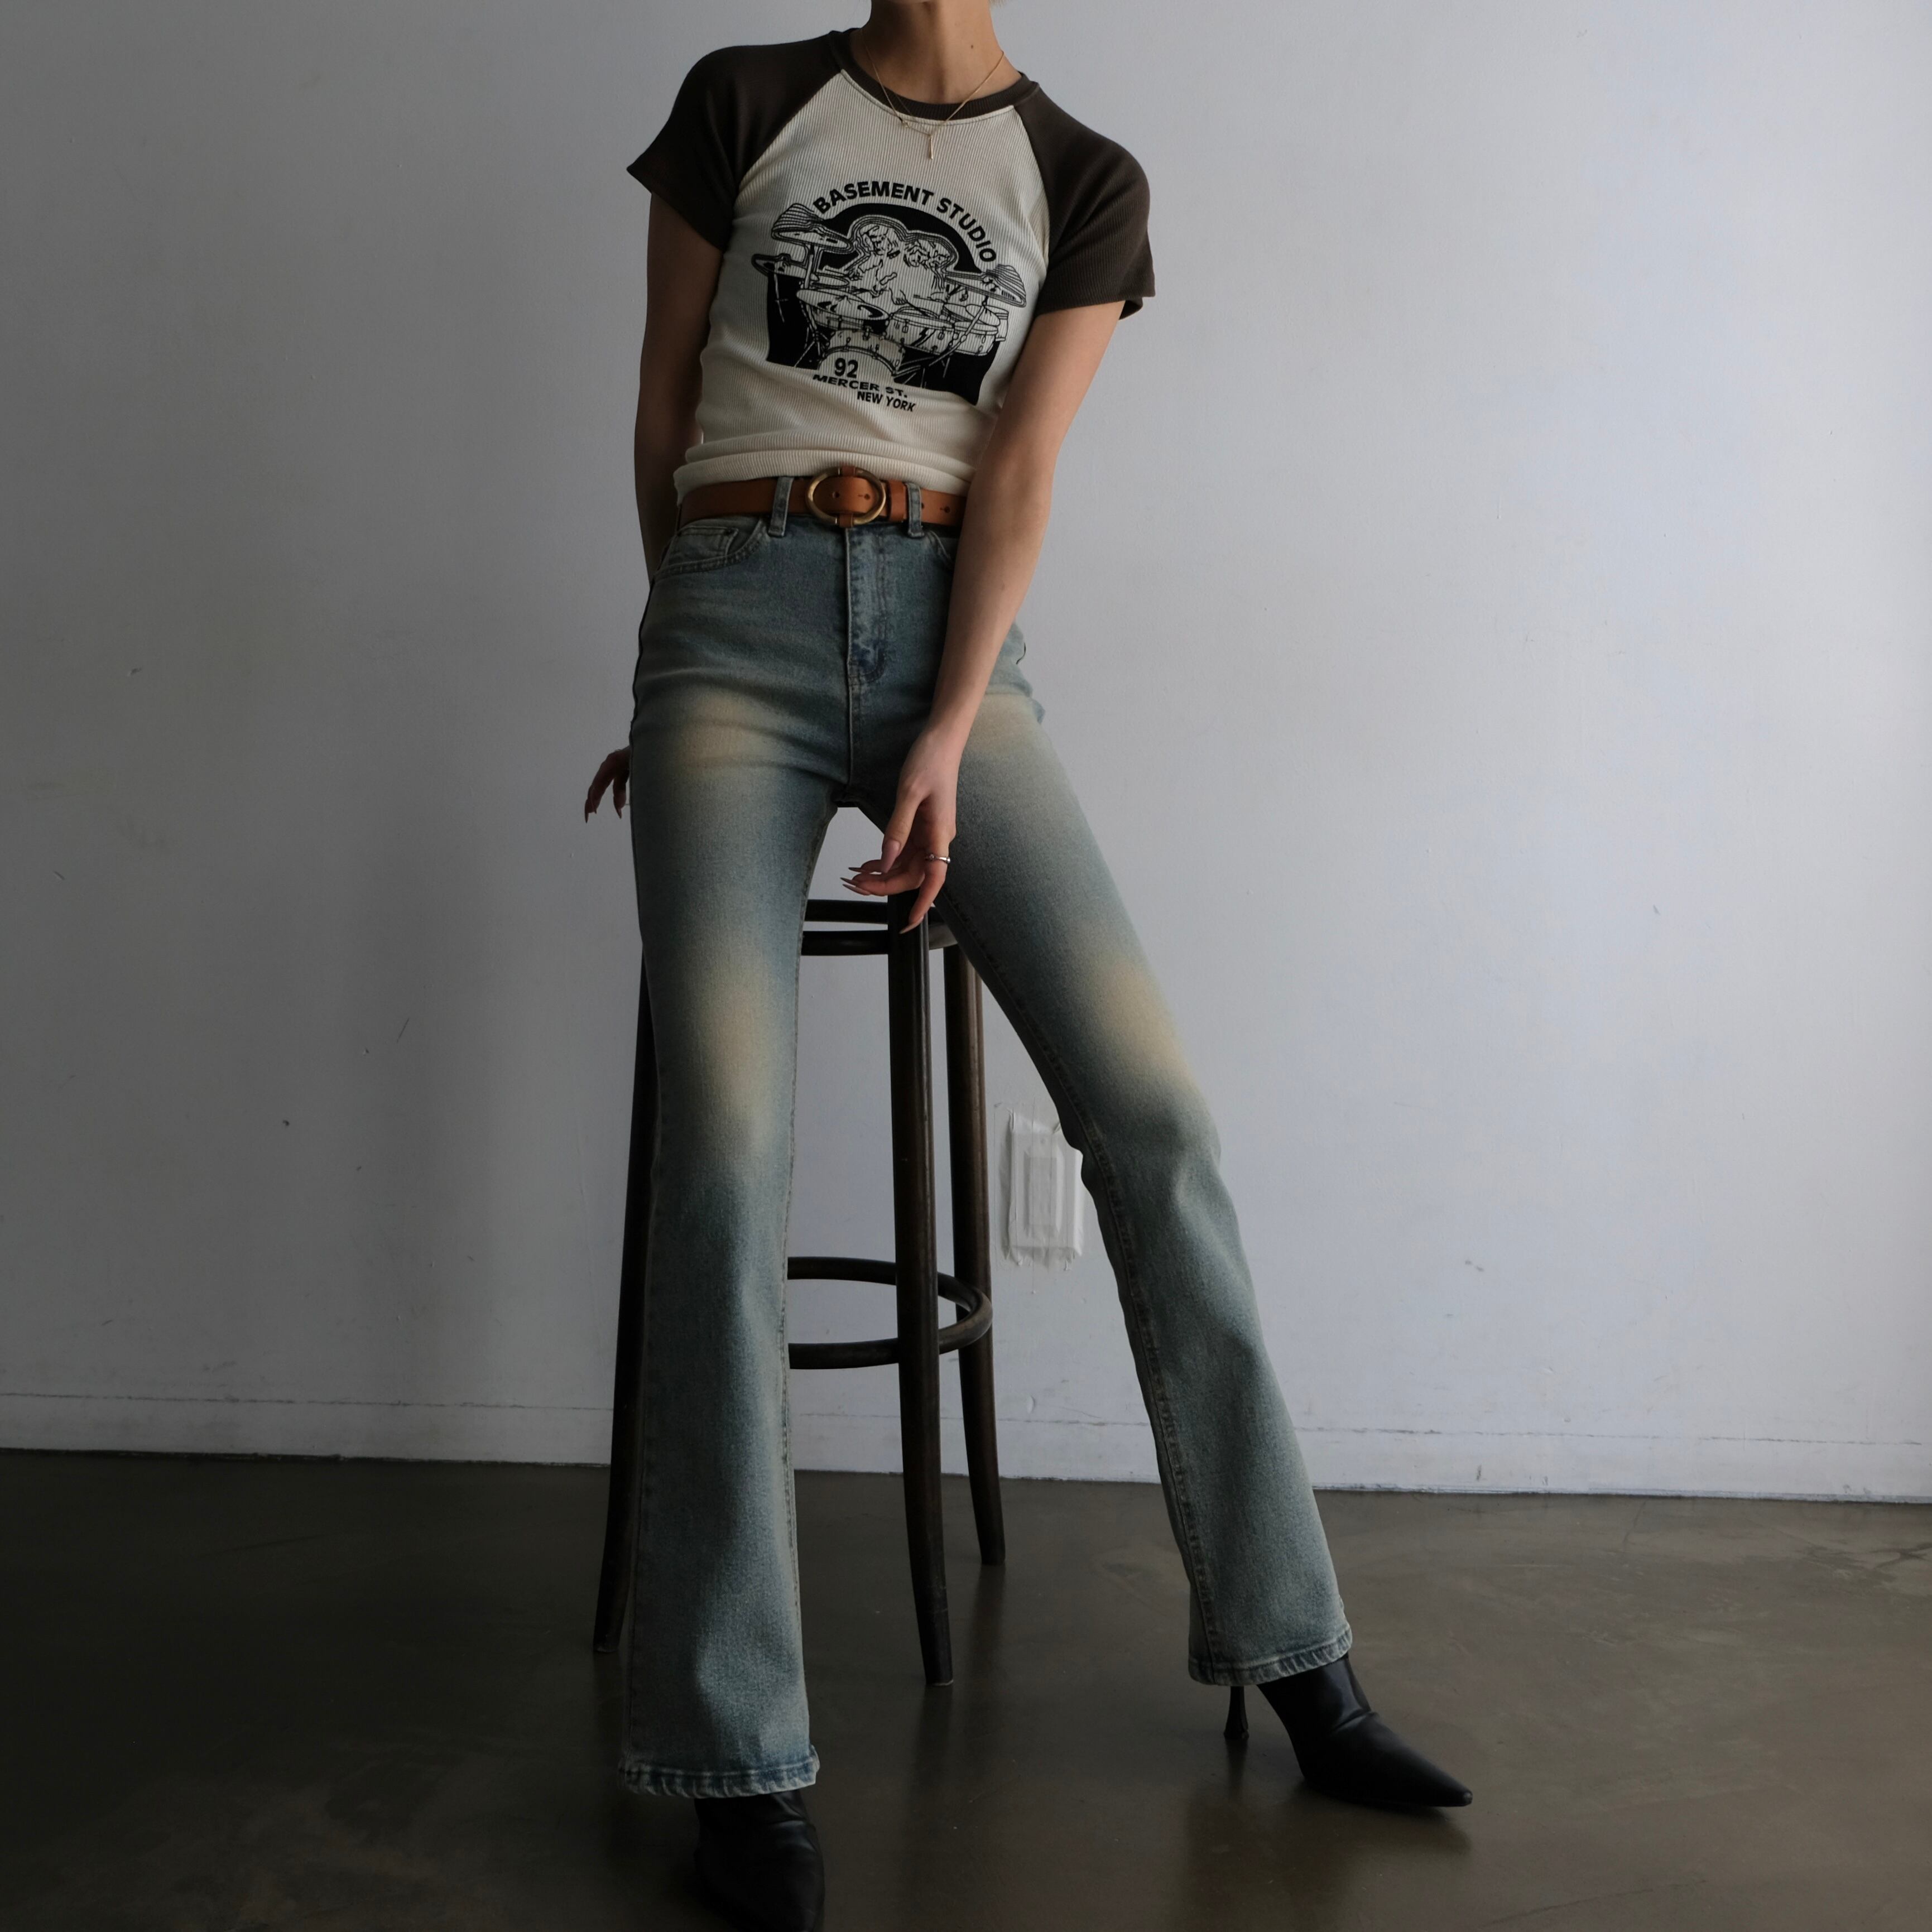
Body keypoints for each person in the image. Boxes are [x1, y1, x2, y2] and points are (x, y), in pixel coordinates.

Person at [584, 6, 1471, 1926]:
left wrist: (942, 726)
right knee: (727, 1155)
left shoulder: (1083, 179)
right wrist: (669, 669)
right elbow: (664, 406)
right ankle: (740, 1758)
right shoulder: (744, 101)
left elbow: (1022, 468)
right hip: (729, 627)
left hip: (953, 645)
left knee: (1157, 1117)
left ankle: (1300, 1655)